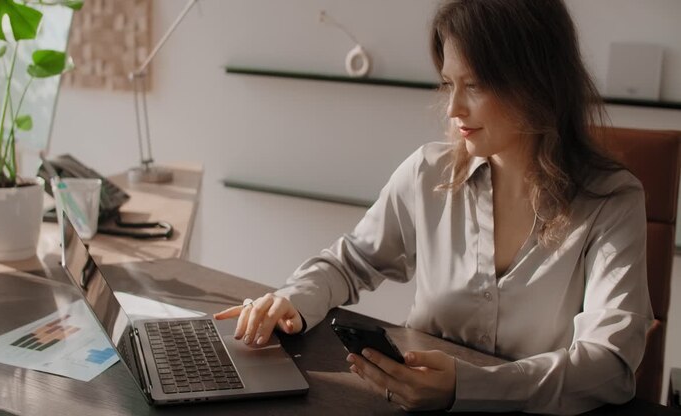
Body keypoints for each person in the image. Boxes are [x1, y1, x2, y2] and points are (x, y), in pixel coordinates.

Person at [215, 0, 653, 413]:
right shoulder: (428, 173)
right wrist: (291, 300)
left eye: (475, 85)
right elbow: (348, 263)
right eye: (449, 84)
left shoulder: (611, 202)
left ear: (536, 81)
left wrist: (470, 387)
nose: (454, 108)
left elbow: (609, 365)